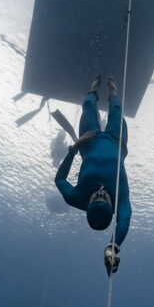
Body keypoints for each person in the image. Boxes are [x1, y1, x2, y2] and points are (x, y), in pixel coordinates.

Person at [54, 75, 131, 275]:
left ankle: (93, 90)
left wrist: (73, 148)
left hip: (87, 142)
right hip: (117, 141)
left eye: (94, 198)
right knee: (116, 109)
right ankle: (112, 91)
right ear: (110, 205)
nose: (99, 193)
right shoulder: (119, 201)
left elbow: (59, 180)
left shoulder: (75, 198)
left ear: (87, 205)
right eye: (103, 199)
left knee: (88, 105)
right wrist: (113, 246)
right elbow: (124, 219)